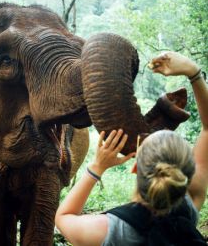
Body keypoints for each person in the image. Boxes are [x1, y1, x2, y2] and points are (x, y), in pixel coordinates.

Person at [55, 51, 208, 246]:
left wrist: (97, 167)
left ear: (135, 168)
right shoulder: (189, 209)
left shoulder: (108, 230)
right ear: (186, 176)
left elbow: (63, 217)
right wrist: (193, 72)